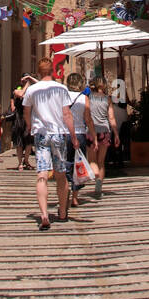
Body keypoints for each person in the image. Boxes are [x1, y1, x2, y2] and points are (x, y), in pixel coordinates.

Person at [23, 57, 76, 230]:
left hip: (41, 135)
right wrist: (74, 136)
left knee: (42, 175)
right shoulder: (61, 88)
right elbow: (67, 114)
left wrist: (30, 126)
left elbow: (26, 112)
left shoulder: (32, 90)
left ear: (38, 72)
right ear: (53, 71)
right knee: (61, 174)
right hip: (58, 134)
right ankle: (62, 212)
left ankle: (44, 214)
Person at [65, 72, 95, 208]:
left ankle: (64, 194)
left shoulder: (62, 98)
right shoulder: (84, 98)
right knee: (78, 166)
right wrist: (93, 135)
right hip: (80, 135)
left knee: (66, 165)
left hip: (65, 134)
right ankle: (75, 198)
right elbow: (88, 119)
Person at [87, 78, 119, 199]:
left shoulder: (89, 98)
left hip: (91, 131)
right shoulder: (107, 99)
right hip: (105, 132)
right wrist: (116, 134)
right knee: (101, 162)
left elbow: (86, 115)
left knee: (92, 161)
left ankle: (95, 177)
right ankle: (99, 185)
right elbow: (111, 118)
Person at [10, 76, 35, 170]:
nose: (25, 82)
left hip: (28, 118)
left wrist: (31, 79)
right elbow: (20, 94)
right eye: (24, 80)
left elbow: (41, 84)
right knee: (19, 142)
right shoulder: (17, 90)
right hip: (19, 118)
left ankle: (27, 160)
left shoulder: (31, 92)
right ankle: (20, 162)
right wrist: (27, 84)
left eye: (26, 80)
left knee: (29, 141)